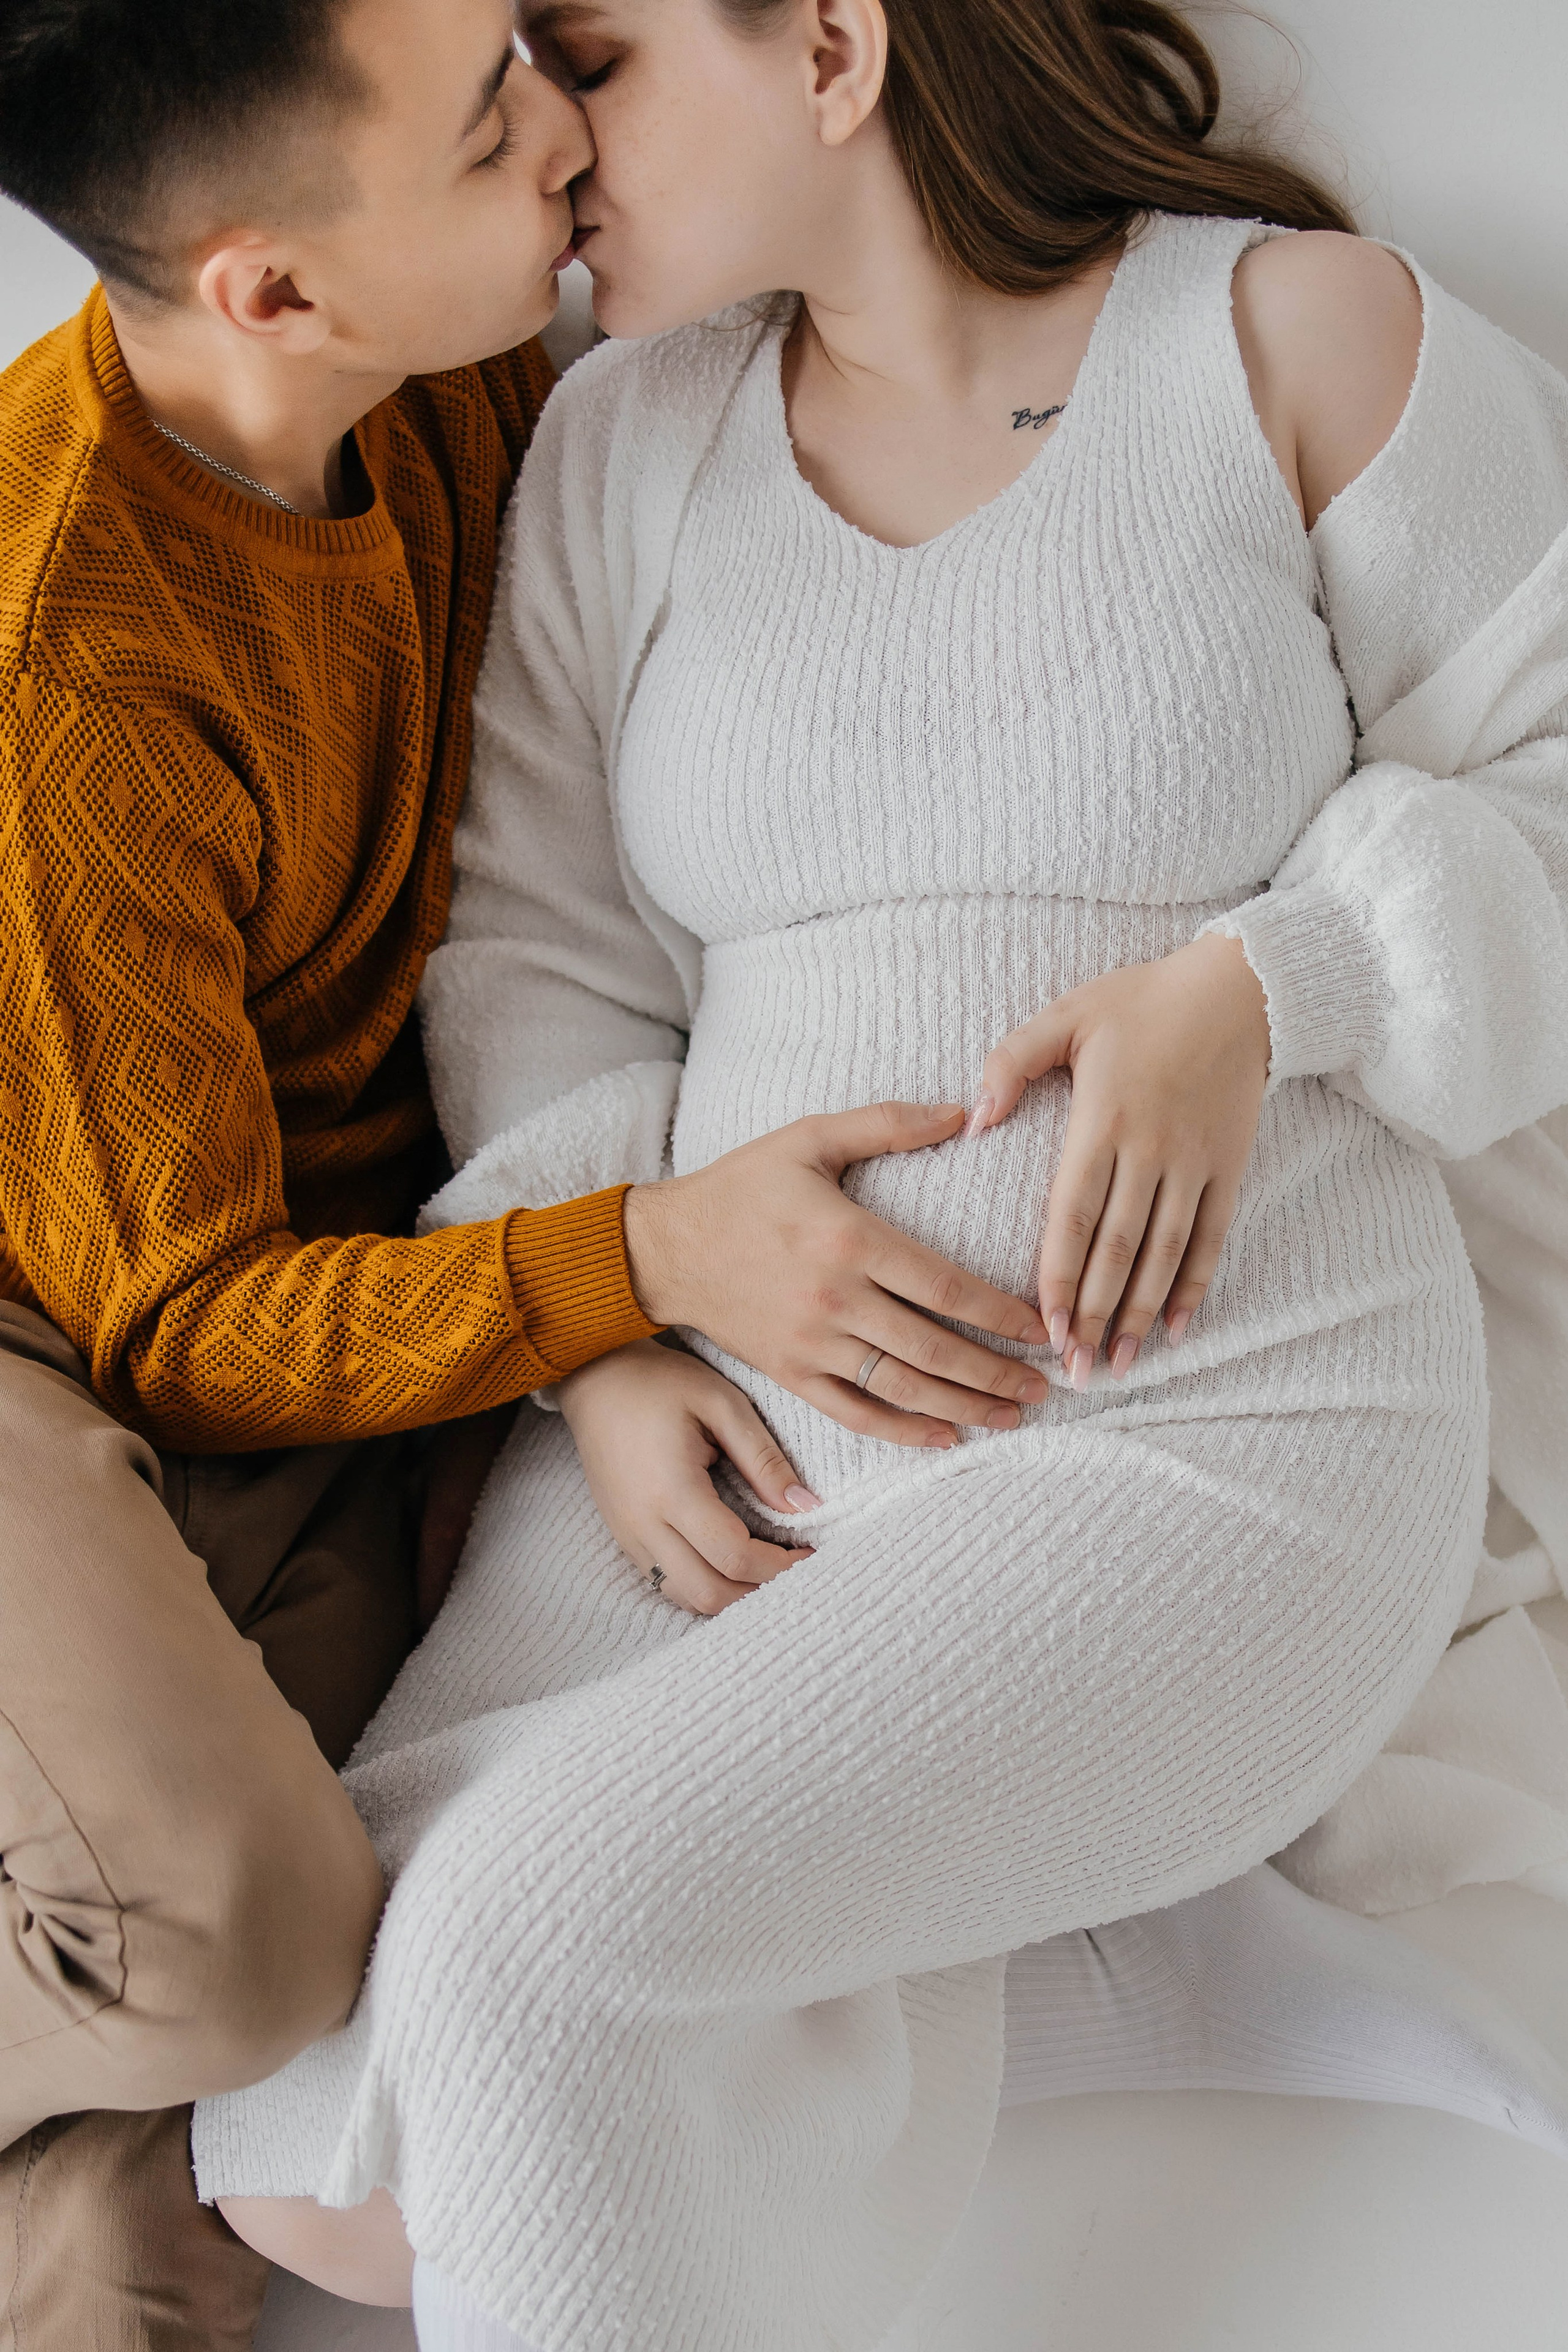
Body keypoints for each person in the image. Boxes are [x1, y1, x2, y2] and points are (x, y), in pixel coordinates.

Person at [189, 0, 1568, 2343]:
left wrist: (1271, 987)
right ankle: (1082, 1938)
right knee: (321, 2156)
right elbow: (538, 958)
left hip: (1211, 1423)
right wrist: (601, 1345)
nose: (545, 138)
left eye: (595, 56)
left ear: (830, 46)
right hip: (738, 1457)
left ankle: (1062, 1862)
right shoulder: (623, 441)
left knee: (525, 1949)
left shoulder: (1291, 340)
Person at [0, 0, 1058, 2339]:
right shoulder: (64, 669)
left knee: (177, 2197)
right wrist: (638, 1263)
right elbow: (177, 1319)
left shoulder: (470, 385)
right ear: (279, 287)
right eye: (495, 134)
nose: (571, 134)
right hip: (84, 1313)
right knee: (243, 1942)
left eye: (533, 56)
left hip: (328, 1296)